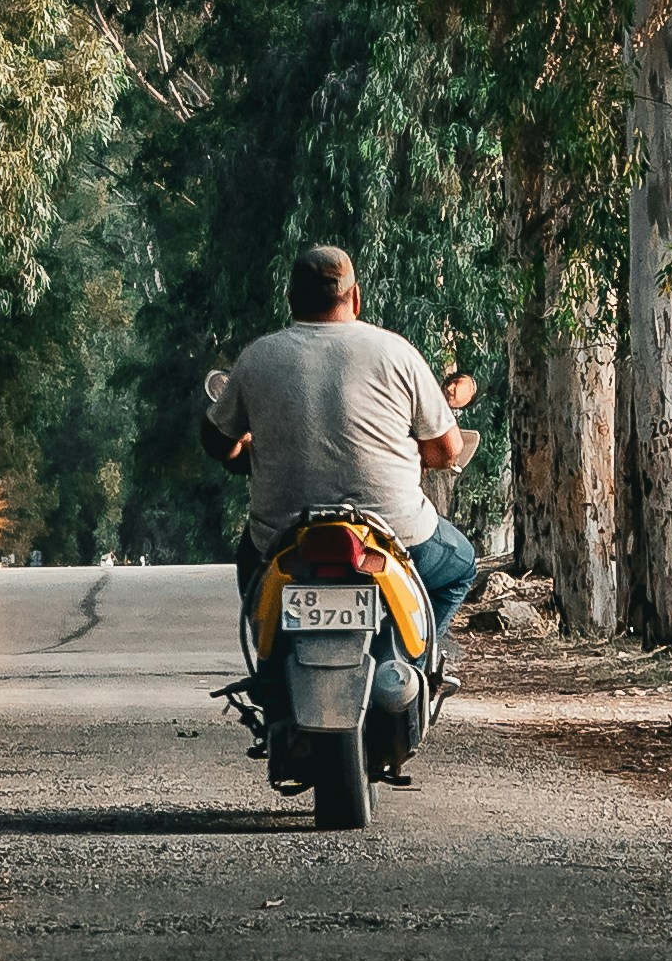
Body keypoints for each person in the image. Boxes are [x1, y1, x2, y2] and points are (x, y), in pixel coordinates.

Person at [205, 243, 482, 660]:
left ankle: (273, 668)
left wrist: (243, 447)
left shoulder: (257, 358)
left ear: (292, 300)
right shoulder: (397, 353)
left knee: (251, 562)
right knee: (461, 564)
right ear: (355, 297)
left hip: (283, 537)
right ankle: (410, 664)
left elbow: (216, 441)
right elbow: (448, 450)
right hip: (395, 535)